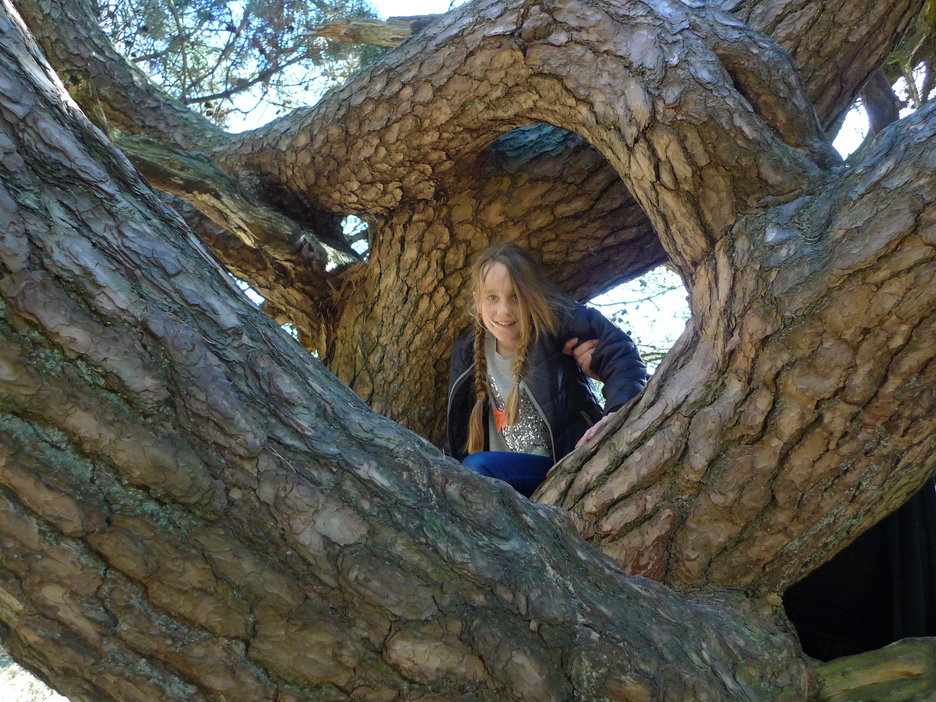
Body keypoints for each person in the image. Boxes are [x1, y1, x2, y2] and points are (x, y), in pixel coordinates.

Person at [446, 242, 648, 497]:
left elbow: (621, 353)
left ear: (532, 296)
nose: (504, 310)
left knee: (476, 469)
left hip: (560, 461)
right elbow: (457, 424)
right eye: (492, 298)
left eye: (515, 296)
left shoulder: (557, 323)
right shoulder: (467, 352)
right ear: (478, 301)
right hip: (503, 473)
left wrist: (617, 410)